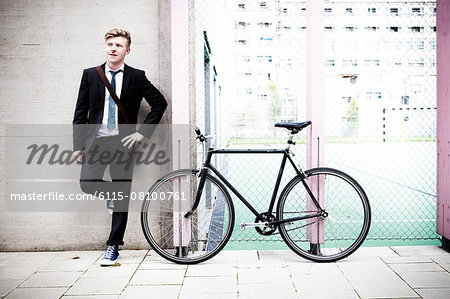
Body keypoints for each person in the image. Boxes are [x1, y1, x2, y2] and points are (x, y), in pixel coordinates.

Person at [72, 28, 167, 266]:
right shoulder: (90, 75)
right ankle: (112, 195)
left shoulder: (136, 76)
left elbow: (159, 103)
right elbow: (80, 112)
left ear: (127, 50)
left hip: (124, 143)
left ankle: (113, 246)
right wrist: (78, 146)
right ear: (106, 47)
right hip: (97, 141)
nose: (113, 49)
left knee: (122, 194)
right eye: (110, 44)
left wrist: (141, 134)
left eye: (118, 45)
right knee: (87, 183)